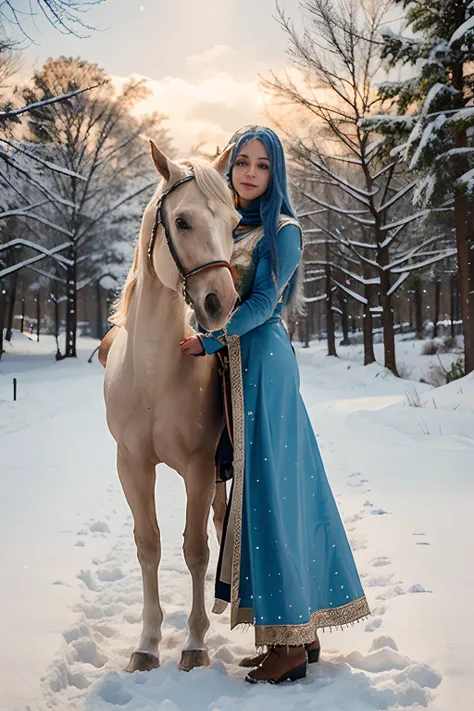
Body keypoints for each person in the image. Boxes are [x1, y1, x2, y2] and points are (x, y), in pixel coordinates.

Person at [180, 126, 369, 684]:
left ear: (275, 174)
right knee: (267, 493)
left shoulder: (284, 230)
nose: (250, 173)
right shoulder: (235, 226)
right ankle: (297, 635)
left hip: (264, 367)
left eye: (263, 165)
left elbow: (265, 304)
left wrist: (211, 338)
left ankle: (288, 649)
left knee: (272, 493)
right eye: (243, 162)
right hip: (238, 370)